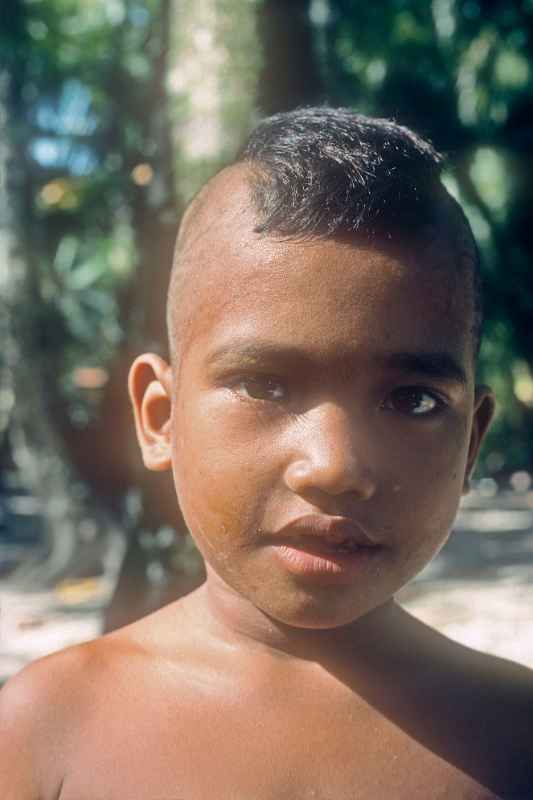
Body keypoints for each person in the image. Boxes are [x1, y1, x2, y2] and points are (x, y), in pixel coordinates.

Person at [1, 107, 532, 800]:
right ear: (159, 417)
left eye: (411, 400)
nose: (334, 465)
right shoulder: (46, 728)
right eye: (262, 384)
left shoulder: (512, 735)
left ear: (471, 442)